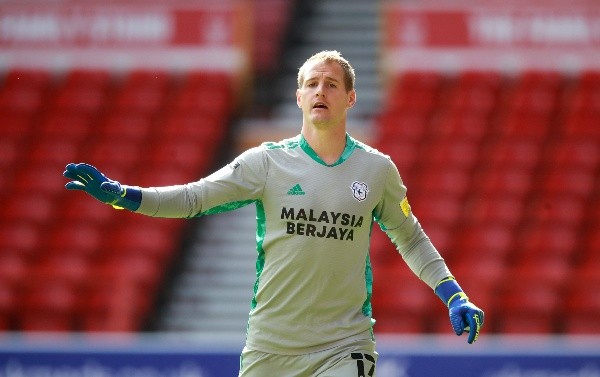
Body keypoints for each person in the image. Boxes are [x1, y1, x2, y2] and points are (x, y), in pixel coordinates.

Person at [64, 50, 484, 376]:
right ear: (298, 96)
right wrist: (124, 195)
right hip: (270, 348)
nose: (321, 91)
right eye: (313, 84)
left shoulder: (376, 171)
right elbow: (195, 198)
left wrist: (453, 294)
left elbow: (409, 236)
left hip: (344, 346)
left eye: (332, 85)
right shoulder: (266, 163)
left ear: (351, 97)